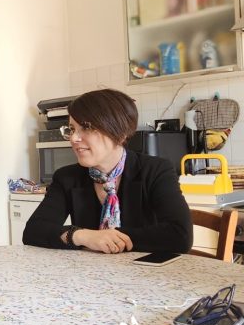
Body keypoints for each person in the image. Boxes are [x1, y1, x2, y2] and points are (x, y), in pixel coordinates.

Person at [23, 88, 192, 254]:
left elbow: (180, 235)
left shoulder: (156, 170)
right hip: (89, 270)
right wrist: (83, 236)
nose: (74, 138)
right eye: (72, 129)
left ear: (120, 133)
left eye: (86, 127)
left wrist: (109, 238)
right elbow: (34, 231)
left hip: (145, 269)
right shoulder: (67, 177)